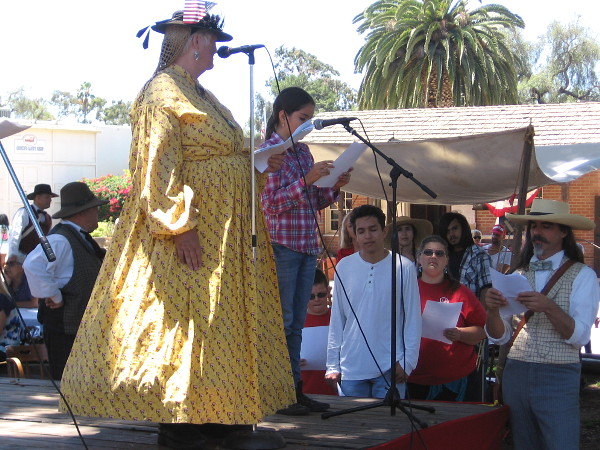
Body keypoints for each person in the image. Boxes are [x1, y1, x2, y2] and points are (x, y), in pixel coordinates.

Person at [56, 11, 295, 449]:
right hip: (190, 234)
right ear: (196, 41)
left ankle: (225, 418)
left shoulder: (202, 94)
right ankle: (183, 426)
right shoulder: (160, 93)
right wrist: (179, 225)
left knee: (218, 322)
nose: (217, 50)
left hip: (225, 235)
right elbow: (156, 164)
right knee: (187, 326)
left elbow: (220, 153)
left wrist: (257, 159)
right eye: (212, 40)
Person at [261, 86, 352, 415]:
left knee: (296, 322)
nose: (307, 125)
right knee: (283, 321)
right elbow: (270, 204)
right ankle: (280, 392)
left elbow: (311, 201)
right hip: (281, 246)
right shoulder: (268, 151)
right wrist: (307, 180)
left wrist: (333, 187)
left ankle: (294, 390)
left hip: (305, 246)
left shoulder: (302, 153)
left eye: (310, 119)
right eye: (303, 118)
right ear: (283, 115)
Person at [485, 199, 599, 450]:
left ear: (563, 232)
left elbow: (579, 337)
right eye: (534, 226)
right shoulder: (517, 274)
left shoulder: (583, 275)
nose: (537, 232)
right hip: (517, 371)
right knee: (523, 444)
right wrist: (492, 311)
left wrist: (548, 306)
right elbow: (500, 336)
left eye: (546, 226)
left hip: (557, 373)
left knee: (562, 443)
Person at [325, 205, 421, 398]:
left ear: (384, 231)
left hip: (390, 368)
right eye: (361, 231)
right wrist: (332, 364)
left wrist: (407, 362)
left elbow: (412, 319)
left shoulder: (404, 267)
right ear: (355, 235)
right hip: (351, 367)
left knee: (392, 426)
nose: (367, 236)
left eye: (373, 229)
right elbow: (337, 320)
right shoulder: (344, 267)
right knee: (350, 428)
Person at [23, 182, 108, 380]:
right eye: (95, 208)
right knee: (65, 382)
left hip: (78, 327)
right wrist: (54, 295)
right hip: (64, 327)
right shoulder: (60, 239)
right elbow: (32, 265)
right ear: (82, 212)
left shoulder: (78, 238)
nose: (97, 212)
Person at [407, 235, 486, 402]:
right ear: (419, 258)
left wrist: (460, 334)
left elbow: (482, 330)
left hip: (457, 381)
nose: (433, 256)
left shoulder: (460, 292)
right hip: (414, 380)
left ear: (446, 260)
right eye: (428, 252)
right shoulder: (406, 290)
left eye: (439, 253)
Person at [438, 212, 492, 302]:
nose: (451, 234)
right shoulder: (442, 256)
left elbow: (486, 289)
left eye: (454, 228)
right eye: (447, 231)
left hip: (469, 311)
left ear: (463, 228)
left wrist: (481, 314)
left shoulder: (479, 256)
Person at [300, 268, 337, 396]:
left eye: (321, 294)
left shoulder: (340, 319)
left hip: (337, 394)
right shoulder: (295, 324)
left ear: (328, 291)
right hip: (306, 392)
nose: (317, 299)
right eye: (311, 296)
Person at [8, 183, 58, 258]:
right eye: (47, 197)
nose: (50, 200)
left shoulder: (48, 218)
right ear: (38, 198)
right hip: (22, 259)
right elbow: (15, 236)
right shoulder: (24, 213)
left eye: (50, 198)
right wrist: (12, 256)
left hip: (39, 261)